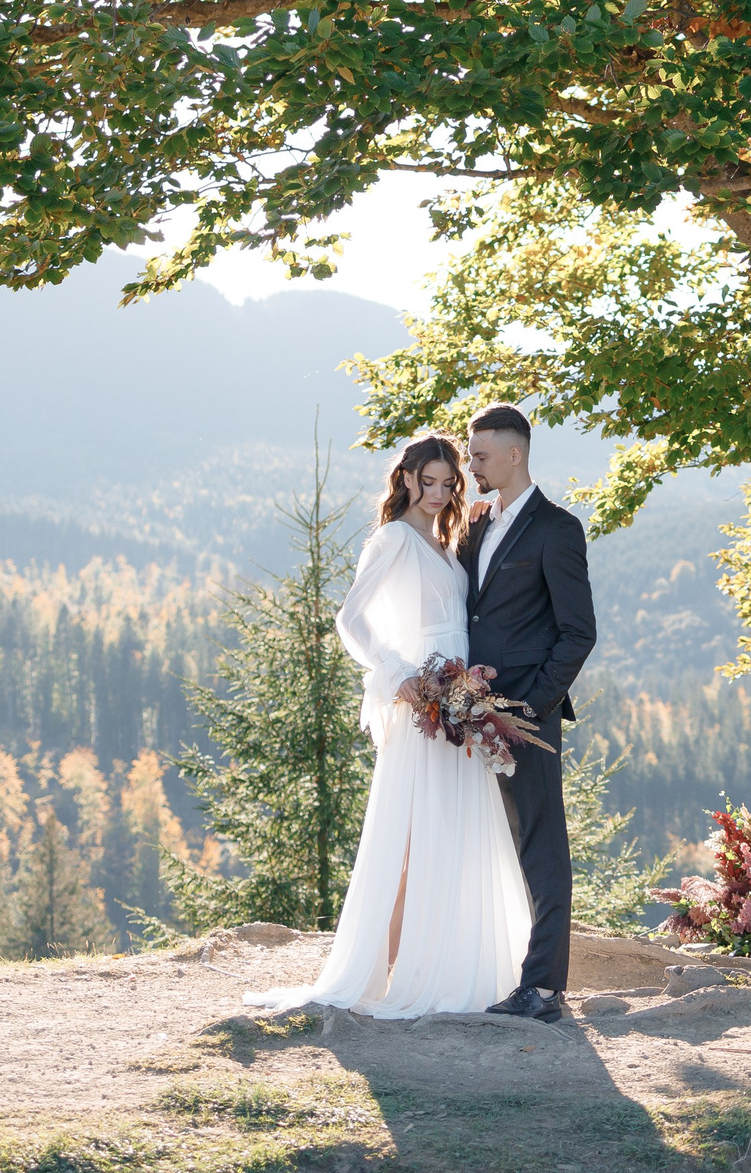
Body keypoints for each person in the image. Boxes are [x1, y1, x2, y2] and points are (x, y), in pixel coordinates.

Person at [243, 436, 532, 1018]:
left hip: (458, 702)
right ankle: (395, 971)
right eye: (430, 481)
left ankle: (449, 963)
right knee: (409, 838)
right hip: (423, 700)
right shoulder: (395, 538)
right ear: (406, 480)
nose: (440, 492)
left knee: (451, 831)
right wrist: (397, 672)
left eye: (450, 483)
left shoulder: (445, 541)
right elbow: (352, 617)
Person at [462, 404, 596, 1025]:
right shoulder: (473, 526)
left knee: (541, 846)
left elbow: (578, 633)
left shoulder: (557, 529)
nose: (471, 465)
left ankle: (543, 988)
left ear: (515, 453)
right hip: (461, 712)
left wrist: (530, 709)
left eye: (480, 455)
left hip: (525, 718)